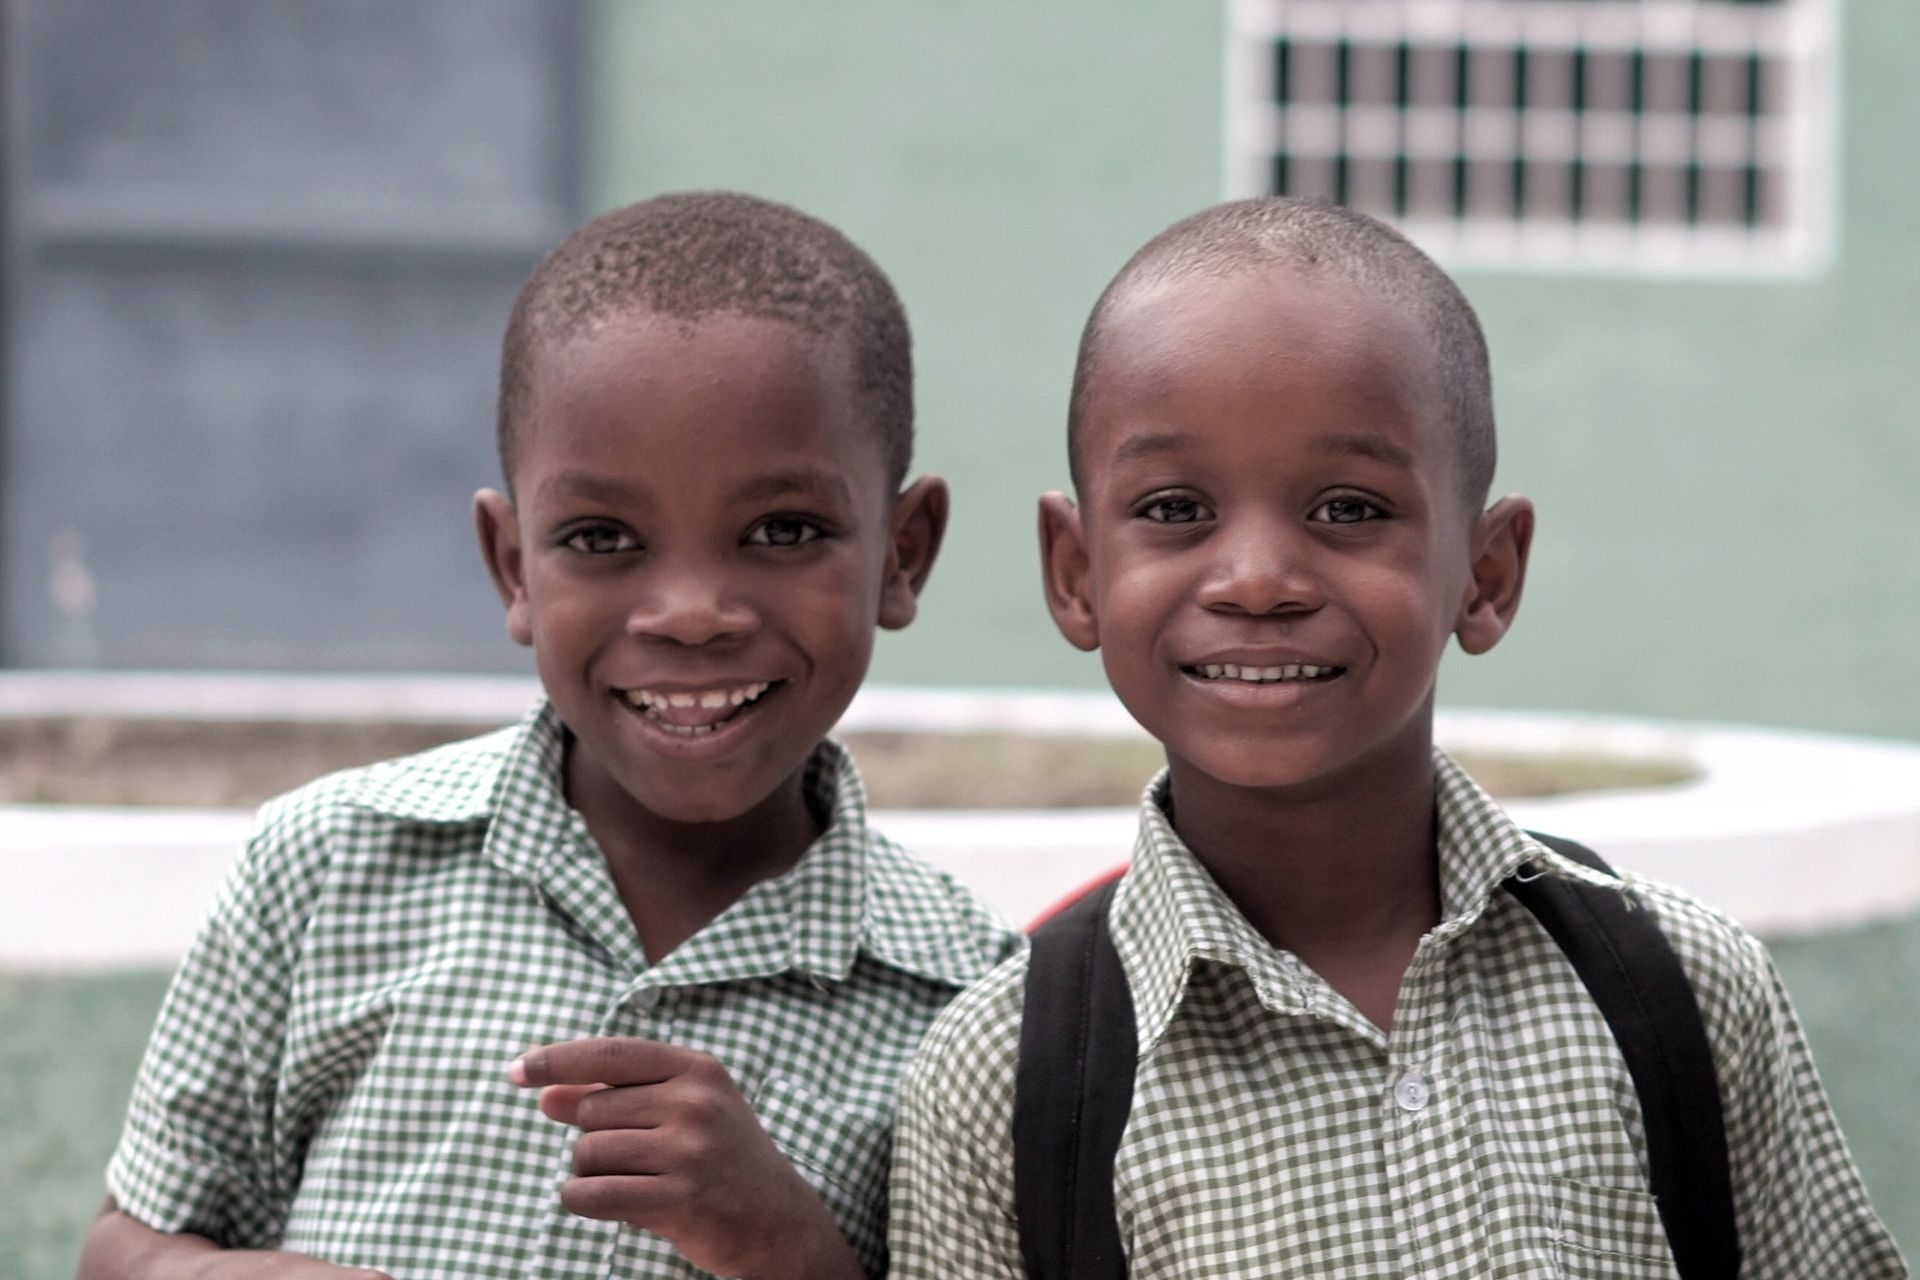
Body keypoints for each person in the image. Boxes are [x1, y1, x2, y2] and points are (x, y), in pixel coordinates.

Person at [887, 197, 1907, 1278]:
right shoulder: (1009, 1077)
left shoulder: (1684, 990)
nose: (1259, 580)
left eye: (1348, 507)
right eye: (1178, 508)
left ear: (1488, 572)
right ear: (1076, 571)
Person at [77, 191, 1020, 1280]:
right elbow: (124, 1243)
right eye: (601, 537)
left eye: (782, 530)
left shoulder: (969, 1000)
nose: (690, 611)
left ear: (904, 552)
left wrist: (785, 1247)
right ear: (513, 564)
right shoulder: (330, 863)